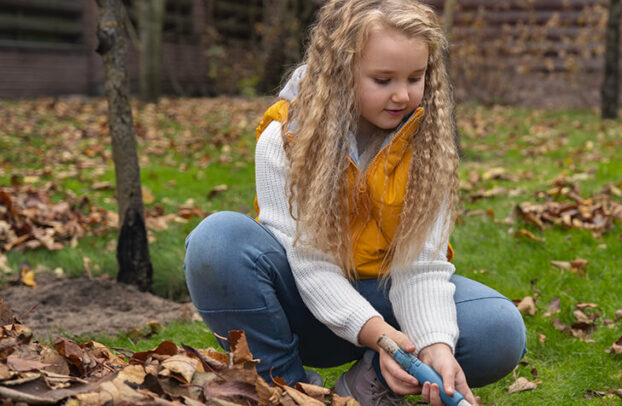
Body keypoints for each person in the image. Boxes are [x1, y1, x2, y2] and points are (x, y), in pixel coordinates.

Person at [182, 1, 526, 405]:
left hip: (385, 299)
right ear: (341, 73)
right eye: (383, 80)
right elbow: (309, 262)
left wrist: (435, 345)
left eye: (416, 77)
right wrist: (375, 331)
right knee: (217, 241)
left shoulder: (429, 149)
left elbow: (420, 267)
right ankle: (286, 389)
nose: (403, 94)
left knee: (498, 329)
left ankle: (366, 387)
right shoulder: (284, 141)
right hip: (298, 305)